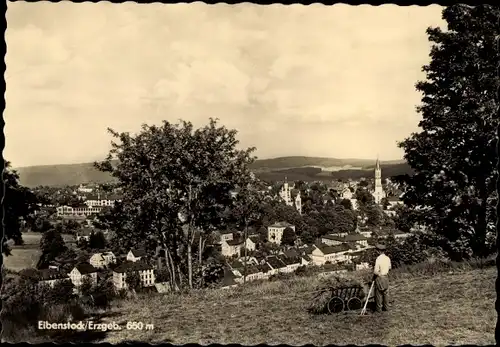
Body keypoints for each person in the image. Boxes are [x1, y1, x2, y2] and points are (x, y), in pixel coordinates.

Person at [372, 243, 391, 313]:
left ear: (379, 251)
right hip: (386, 277)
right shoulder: (388, 258)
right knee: (386, 293)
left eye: (377, 251)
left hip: (380, 277)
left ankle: (379, 309)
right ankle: (386, 307)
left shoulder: (378, 259)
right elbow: (390, 267)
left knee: (379, 294)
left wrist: (379, 274)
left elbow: (375, 271)